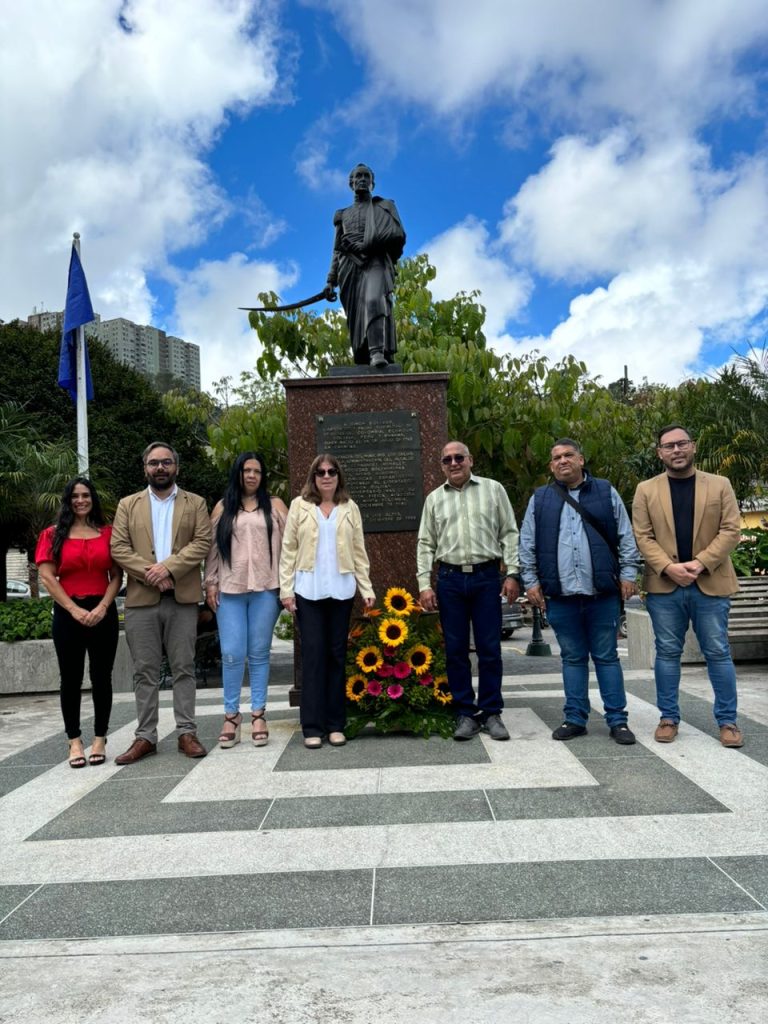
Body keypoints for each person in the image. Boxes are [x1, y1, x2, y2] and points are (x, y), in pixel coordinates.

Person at [519, 439, 641, 744]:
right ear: (551, 466)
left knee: (607, 657)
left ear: (581, 459)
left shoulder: (604, 491)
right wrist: (531, 581)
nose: (562, 461)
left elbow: (626, 536)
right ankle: (575, 718)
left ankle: (618, 721)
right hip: (560, 596)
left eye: (568, 455)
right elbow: (527, 544)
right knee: (572, 658)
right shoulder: (541, 498)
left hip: (601, 593)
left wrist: (628, 574)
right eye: (556, 457)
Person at [632, 424, 744, 747]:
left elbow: (731, 530)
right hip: (665, 587)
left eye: (682, 444)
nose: (676, 450)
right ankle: (668, 717)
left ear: (693, 446)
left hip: (710, 581)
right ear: (660, 453)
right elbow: (643, 536)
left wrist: (699, 563)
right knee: (667, 653)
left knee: (718, 651)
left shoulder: (720, 485)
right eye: (669, 446)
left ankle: (728, 722)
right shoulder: (646, 490)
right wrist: (669, 567)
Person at [111, 442, 212, 764]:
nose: (160, 468)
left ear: (176, 467)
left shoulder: (195, 503)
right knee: (145, 672)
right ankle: (146, 737)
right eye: (153, 463)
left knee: (184, 668)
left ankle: (186, 731)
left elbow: (202, 542)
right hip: (142, 601)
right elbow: (119, 547)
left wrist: (169, 567)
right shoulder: (129, 505)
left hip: (181, 599)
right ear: (145, 467)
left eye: (166, 462)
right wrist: (152, 574)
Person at [417, 441, 520, 742]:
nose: (453, 463)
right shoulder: (434, 499)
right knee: (455, 650)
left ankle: (491, 712)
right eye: (446, 459)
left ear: (470, 460)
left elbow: (509, 532)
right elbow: (425, 543)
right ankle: (465, 711)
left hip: (486, 577)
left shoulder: (493, 490)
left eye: (458, 457)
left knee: (490, 648)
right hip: (449, 579)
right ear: (441, 465)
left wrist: (512, 573)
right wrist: (424, 584)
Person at [279, 454, 375, 748]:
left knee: (336, 657)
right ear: (313, 477)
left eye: (332, 471)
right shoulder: (299, 506)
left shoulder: (350, 508)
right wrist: (286, 590)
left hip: (341, 591)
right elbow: (288, 550)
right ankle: (312, 726)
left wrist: (366, 588)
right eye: (320, 472)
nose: (326, 476)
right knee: (313, 657)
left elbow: (359, 551)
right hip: (308, 591)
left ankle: (335, 725)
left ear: (338, 476)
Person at [35, 478, 123, 768]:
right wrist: (73, 609)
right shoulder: (52, 535)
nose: (81, 500)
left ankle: (100, 738)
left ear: (92, 499)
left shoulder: (107, 533)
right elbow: (48, 577)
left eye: (86, 495)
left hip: (102, 610)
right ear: (68, 500)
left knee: (102, 677)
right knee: (70, 679)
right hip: (67, 612)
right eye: (75, 496)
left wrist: (102, 607)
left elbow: (116, 577)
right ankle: (74, 741)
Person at [204, 453, 288, 749]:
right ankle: (231, 715)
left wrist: (287, 586)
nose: (252, 475)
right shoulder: (223, 507)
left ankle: (258, 714)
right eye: (246, 470)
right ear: (238, 473)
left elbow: (289, 547)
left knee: (259, 653)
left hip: (266, 588)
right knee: (232, 652)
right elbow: (213, 549)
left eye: (257, 471)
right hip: (231, 588)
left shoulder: (275, 505)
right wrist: (210, 583)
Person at [324, 163, 406, 368]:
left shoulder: (384, 206)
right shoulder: (342, 215)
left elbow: (396, 234)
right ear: (350, 183)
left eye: (366, 176)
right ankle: (363, 356)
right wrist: (330, 281)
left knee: (373, 301)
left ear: (372, 183)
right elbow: (337, 250)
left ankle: (377, 352)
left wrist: (367, 244)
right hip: (349, 268)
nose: (362, 179)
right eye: (357, 176)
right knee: (356, 318)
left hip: (375, 261)